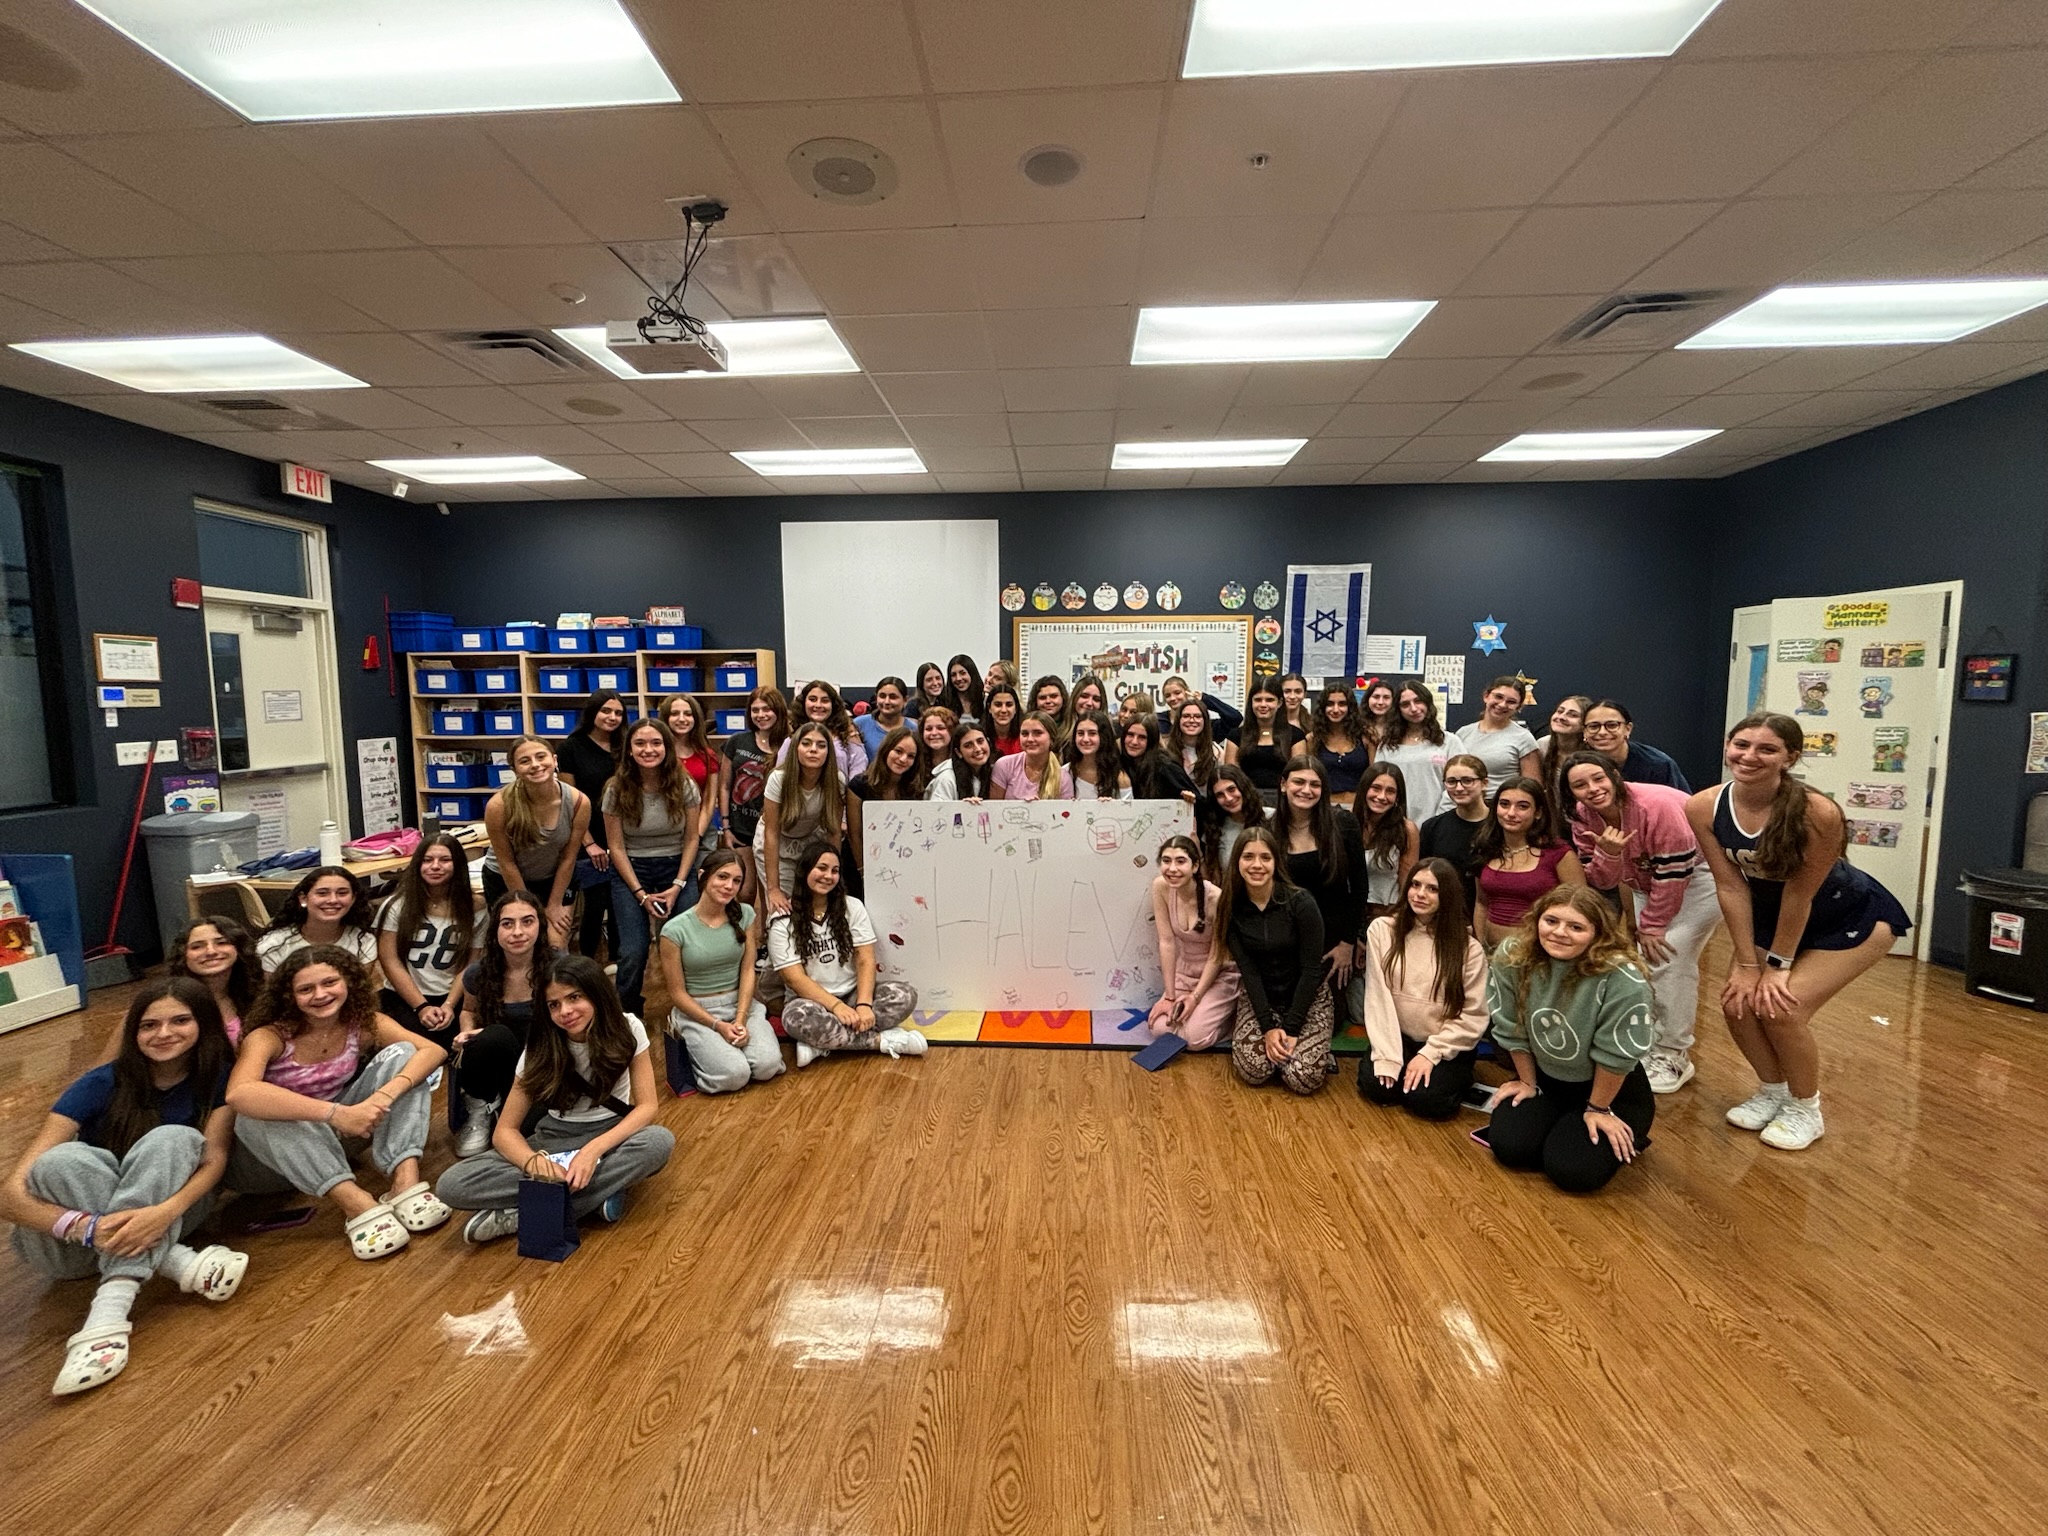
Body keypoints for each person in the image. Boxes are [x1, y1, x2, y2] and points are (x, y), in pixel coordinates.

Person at [6, 979, 245, 1396]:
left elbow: (214, 1161)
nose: (163, 1033)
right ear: (133, 1032)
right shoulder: (100, 1082)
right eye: (149, 1025)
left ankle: (106, 1318)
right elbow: (10, 1194)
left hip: (168, 1217)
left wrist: (164, 1213)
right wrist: (83, 1228)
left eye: (179, 1021)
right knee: (59, 1160)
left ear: (203, 1025)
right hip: (72, 1249)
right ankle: (177, 1263)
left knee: (175, 1138)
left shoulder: (218, 1078)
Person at [1684, 713, 1909, 1150]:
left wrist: (1776, 967)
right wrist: (1748, 964)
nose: (1750, 756)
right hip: (1772, 917)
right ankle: (1773, 1092)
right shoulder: (1702, 806)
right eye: (1741, 744)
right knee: (1737, 1002)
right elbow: (1730, 886)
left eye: (1766, 749)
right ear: (1728, 745)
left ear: (1790, 757)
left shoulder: (1819, 812)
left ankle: (1807, 1108)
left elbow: (1799, 896)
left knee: (1782, 1009)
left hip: (1849, 918)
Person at [227, 947, 449, 1259]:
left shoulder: (362, 1022)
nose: (320, 994)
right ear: (289, 996)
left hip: (341, 1137)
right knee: (251, 1110)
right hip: (273, 1158)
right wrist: (335, 1113)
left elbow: (433, 1051)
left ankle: (404, 1180)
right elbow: (238, 1094)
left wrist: (383, 1095)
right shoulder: (269, 1036)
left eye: (330, 982)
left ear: (348, 982)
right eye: (305, 989)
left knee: (404, 1056)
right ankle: (356, 1204)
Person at [436, 955, 675, 1245]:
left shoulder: (628, 1027)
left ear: (596, 993)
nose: (566, 1011)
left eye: (574, 997)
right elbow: (505, 1131)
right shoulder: (539, 1048)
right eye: (554, 1005)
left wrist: (591, 1151)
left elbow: (648, 1105)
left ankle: (525, 1214)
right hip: (555, 1137)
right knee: (451, 1184)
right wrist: (534, 1165)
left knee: (658, 1142)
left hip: (610, 1134)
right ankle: (595, 1197)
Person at [1566, 752, 1720, 1095]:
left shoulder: (1658, 805)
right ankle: (1648, 1040)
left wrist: (1652, 925)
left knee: (1669, 955)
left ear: (1614, 777)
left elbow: (1674, 874)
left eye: (1598, 779)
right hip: (1642, 880)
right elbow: (1603, 879)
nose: (1591, 789)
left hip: (1697, 878)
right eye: (1579, 785)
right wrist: (1609, 852)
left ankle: (1674, 1054)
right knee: (1646, 962)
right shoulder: (1583, 816)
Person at [1485, 886, 1657, 1193]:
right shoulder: (1513, 955)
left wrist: (1598, 1108)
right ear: (1537, 919)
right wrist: (1527, 1083)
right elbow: (1511, 1027)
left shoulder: (1622, 979)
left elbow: (1615, 1054)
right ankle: (1562, 1127)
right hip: (1547, 1078)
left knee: (1572, 1172)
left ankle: (1619, 1129)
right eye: (1551, 921)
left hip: (1610, 1090)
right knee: (1509, 1148)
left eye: (1576, 927)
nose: (1559, 933)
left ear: (1597, 933)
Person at [770, 845, 925, 1066]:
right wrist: (835, 1007)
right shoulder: (782, 919)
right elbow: (794, 978)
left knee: (905, 995)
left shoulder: (852, 906)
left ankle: (823, 1044)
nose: (828, 876)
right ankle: (882, 1041)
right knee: (795, 1019)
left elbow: (865, 958)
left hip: (853, 996)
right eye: (821, 868)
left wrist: (863, 1005)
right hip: (812, 1004)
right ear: (804, 871)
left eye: (835, 871)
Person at [1357, 860, 1488, 1121]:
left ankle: (1458, 1076)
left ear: (1447, 896)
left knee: (1427, 1101)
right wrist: (1387, 1055)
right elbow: (1377, 999)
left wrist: (1430, 1054)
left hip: (1444, 1043)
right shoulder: (1382, 931)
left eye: (1432, 889)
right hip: (1399, 1037)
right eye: (1415, 885)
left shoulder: (1469, 949)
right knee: (1378, 1088)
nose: (1420, 894)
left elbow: (1473, 1016)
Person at [658, 849, 785, 1095]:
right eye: (722, 877)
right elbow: (677, 993)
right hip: (698, 1011)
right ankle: (702, 1059)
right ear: (703, 876)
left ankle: (728, 1052)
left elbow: (748, 970)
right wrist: (718, 1026)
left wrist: (740, 1018)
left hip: (740, 1003)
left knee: (767, 1066)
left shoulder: (745, 915)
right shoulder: (674, 930)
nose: (729, 886)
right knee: (734, 1075)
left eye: (736, 881)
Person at [604, 716, 703, 1017]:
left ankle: (694, 1008)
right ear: (629, 750)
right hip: (631, 870)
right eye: (640, 743)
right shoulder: (616, 789)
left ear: (667, 747)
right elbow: (616, 847)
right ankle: (626, 1015)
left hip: (677, 867)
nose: (649, 749)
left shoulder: (684, 784)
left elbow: (691, 841)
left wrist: (677, 885)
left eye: (656, 743)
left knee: (685, 943)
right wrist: (640, 894)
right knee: (633, 951)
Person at [1222, 828, 1333, 1095]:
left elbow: (1311, 969)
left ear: (1276, 862)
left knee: (1303, 1078)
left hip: (1308, 996)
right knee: (1253, 1070)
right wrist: (1269, 1028)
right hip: (1263, 997)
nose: (1256, 865)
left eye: (1265, 858)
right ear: (1237, 861)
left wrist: (1292, 1028)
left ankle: (1301, 1052)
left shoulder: (1301, 902)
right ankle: (1282, 1054)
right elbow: (1248, 971)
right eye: (1248, 857)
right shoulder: (1230, 907)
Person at [450, 891, 553, 1157]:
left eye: (527, 922)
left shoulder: (560, 968)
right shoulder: (478, 972)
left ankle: (512, 1110)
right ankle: (481, 1107)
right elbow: (468, 1011)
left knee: (532, 1134)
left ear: (540, 925)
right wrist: (466, 1033)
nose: (517, 932)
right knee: (493, 1036)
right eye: (507, 924)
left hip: (543, 1063)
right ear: (495, 929)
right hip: (500, 1059)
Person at [1272, 754, 1365, 1004]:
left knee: (1329, 1022)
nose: (1306, 790)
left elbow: (1359, 888)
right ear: (1283, 784)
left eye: (1315, 784)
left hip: (1333, 942)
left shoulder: (1343, 824)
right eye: (1298, 782)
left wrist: (1348, 943)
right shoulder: (1270, 830)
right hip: (1285, 941)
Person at [375, 833, 480, 1051]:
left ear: (458, 865)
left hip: (450, 996)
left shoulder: (476, 908)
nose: (435, 866)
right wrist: (421, 1006)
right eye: (427, 860)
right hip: (405, 997)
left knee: (458, 1046)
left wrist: (450, 1005)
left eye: (444, 860)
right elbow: (389, 960)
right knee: (412, 1048)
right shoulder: (396, 905)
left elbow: (471, 964)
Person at [481, 735, 589, 946]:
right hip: (507, 880)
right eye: (525, 761)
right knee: (519, 944)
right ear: (514, 769)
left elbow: (568, 858)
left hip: (555, 880)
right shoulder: (499, 806)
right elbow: (507, 863)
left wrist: (554, 904)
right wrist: (528, 909)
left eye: (541, 757)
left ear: (555, 760)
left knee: (555, 945)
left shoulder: (578, 802)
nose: (535, 765)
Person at [1146, 835, 1240, 1051]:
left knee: (1194, 1040)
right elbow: (1167, 942)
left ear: (1195, 865)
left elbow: (1217, 956)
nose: (1172, 869)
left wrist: (1196, 998)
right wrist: (1169, 996)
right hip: (1185, 971)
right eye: (1166, 861)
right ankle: (1196, 1013)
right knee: (1160, 1029)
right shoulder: (1161, 887)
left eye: (1180, 861)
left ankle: (1233, 1018)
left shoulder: (1216, 897)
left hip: (1220, 974)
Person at [1471, 776, 1586, 947]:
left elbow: (1581, 906)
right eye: (1504, 804)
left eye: (1522, 806)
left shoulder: (1558, 853)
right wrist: (1480, 945)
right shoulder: (1486, 849)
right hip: (1493, 955)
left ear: (1538, 812)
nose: (1511, 813)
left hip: (1542, 953)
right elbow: (1481, 903)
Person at [556, 689, 625, 960]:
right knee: (595, 904)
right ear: (592, 712)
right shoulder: (571, 747)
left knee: (620, 902)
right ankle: (587, 963)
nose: (612, 717)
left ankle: (619, 962)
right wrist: (590, 843)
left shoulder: (624, 745)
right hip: (587, 838)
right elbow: (568, 801)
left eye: (618, 713)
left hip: (621, 836)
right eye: (606, 711)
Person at [755, 721, 848, 920]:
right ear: (796, 748)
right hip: (776, 844)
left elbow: (833, 831)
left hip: (811, 841)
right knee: (784, 907)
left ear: (828, 752)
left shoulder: (837, 780)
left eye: (821, 745)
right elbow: (770, 833)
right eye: (806, 743)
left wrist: (835, 877)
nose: (813, 750)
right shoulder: (779, 779)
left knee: (813, 902)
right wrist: (773, 889)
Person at [722, 687, 790, 908]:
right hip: (740, 826)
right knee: (746, 891)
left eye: (767, 709)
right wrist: (726, 826)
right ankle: (745, 939)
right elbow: (724, 786)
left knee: (770, 890)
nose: (761, 715)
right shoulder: (737, 742)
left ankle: (764, 938)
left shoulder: (788, 744)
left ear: (778, 711)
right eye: (755, 710)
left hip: (773, 828)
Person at [256, 865, 381, 980]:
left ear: (353, 899)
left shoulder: (364, 941)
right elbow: (273, 997)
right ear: (303, 898)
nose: (333, 900)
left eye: (342, 893)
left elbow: (359, 991)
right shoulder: (273, 945)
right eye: (322, 893)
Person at [660, 692, 723, 896]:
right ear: (665, 718)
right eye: (675, 713)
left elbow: (709, 800)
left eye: (687, 714)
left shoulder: (707, 754)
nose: (681, 719)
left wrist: (696, 834)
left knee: (698, 892)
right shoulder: (658, 754)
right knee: (668, 892)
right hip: (666, 834)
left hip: (701, 832)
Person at [165, 916, 261, 1046]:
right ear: (183, 956)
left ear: (239, 949)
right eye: (197, 946)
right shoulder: (171, 1003)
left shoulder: (259, 994)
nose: (211, 951)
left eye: (222, 943)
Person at [1416, 753, 1492, 913]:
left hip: (1491, 912)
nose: (1459, 788)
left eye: (1467, 781)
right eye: (1452, 782)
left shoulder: (1500, 824)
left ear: (1484, 783)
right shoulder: (1432, 827)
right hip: (1446, 913)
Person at [849, 725, 927, 869]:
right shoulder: (859, 785)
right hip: (862, 864)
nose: (903, 759)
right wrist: (864, 871)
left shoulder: (915, 791)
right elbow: (855, 835)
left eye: (911, 756)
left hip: (903, 864)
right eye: (898, 751)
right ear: (886, 750)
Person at [1450, 677, 1541, 800]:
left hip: (1500, 808)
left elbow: (1533, 788)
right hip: (1462, 804)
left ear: (1518, 707)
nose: (1502, 704)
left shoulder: (1524, 738)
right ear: (1486, 696)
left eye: (1511, 702)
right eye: (1498, 697)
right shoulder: (1463, 733)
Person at [1375, 680, 1449, 823]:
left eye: (1418, 701)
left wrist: (1440, 817)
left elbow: (1460, 783)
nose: (1414, 709)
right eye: (1405, 704)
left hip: (1439, 821)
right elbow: (1379, 784)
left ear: (1427, 703)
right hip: (1395, 823)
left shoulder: (1449, 741)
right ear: (1398, 710)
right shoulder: (1387, 746)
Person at [1582, 699, 1691, 791]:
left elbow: (1679, 804)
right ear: (1584, 731)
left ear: (1628, 729)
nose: (1602, 732)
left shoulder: (1657, 765)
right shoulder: (1577, 763)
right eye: (1593, 726)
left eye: (1612, 725)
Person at [1225, 678, 1303, 805]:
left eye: (1269, 700)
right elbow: (1231, 776)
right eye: (1257, 700)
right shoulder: (1236, 736)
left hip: (1285, 801)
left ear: (1280, 703)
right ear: (1251, 703)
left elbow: (1299, 775)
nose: (1263, 704)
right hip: (1246, 801)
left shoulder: (1296, 736)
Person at [782, 679, 870, 784]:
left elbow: (858, 768)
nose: (818, 705)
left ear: (833, 705)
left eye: (825, 700)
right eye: (812, 699)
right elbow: (782, 773)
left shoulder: (848, 734)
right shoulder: (793, 736)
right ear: (804, 702)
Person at [1197, 765, 1266, 880]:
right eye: (1220, 795)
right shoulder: (1215, 828)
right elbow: (1212, 878)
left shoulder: (1271, 818)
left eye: (1231, 789)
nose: (1228, 798)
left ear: (1242, 787)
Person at [993, 712, 1075, 800]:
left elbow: (1064, 813)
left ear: (1051, 738)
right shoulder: (1004, 765)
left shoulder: (1063, 778)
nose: (1030, 739)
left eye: (1037, 733)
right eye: (1025, 734)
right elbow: (994, 808)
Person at [1309, 685, 1371, 796]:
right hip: (1324, 806)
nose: (1336, 709)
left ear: (1350, 707)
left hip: (1358, 806)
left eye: (1342, 704)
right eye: (1330, 704)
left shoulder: (1366, 738)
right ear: (1323, 707)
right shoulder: (1312, 740)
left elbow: (1374, 777)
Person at [1534, 694, 1593, 811]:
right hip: (1552, 817)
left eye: (1572, 715)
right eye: (1559, 711)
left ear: (1584, 725)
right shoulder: (1543, 745)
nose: (1561, 717)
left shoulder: (1593, 751)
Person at [1119, 714, 1196, 802]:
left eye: (1142, 737)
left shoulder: (1166, 766)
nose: (1134, 742)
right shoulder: (1119, 763)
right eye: (1130, 735)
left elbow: (1200, 802)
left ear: (1151, 740)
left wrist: (1189, 798)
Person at [1065, 710, 1132, 800]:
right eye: (1080, 733)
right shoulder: (1065, 773)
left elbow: (1130, 812)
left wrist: (1112, 808)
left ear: (1104, 736)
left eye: (1092, 733)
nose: (1085, 739)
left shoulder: (1120, 779)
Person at [1157, 675, 1242, 742]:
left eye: (1177, 693)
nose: (1172, 698)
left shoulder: (1205, 725)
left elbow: (1235, 718)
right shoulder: (1158, 721)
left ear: (1187, 692)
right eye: (1167, 695)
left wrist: (1205, 699)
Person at [928, 718, 996, 801]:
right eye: (968, 745)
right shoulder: (946, 779)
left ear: (988, 742)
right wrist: (963, 808)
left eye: (980, 741)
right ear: (958, 752)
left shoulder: (995, 772)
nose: (977, 749)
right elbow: (938, 812)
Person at [1168, 697, 1223, 791]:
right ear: (1178, 720)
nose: (1192, 720)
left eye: (1197, 716)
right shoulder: (1166, 751)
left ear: (1205, 721)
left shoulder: (1217, 752)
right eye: (1186, 716)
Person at [855, 675, 911, 758]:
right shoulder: (859, 725)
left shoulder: (913, 730)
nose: (887, 701)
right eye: (882, 696)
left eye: (893, 697)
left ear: (905, 700)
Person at [1027, 675, 1072, 744]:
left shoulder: (1072, 726)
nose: (1048, 701)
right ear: (1035, 701)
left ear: (1063, 698)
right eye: (1042, 697)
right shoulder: (1027, 726)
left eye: (1053, 696)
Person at [941, 654, 985, 723]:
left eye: (962, 673)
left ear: (971, 674)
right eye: (953, 675)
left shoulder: (984, 699)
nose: (958, 678)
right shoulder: (944, 702)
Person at [982, 682, 1023, 757]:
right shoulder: (980, 737)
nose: (1003, 710)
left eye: (1009, 705)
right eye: (998, 704)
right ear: (989, 708)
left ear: (1016, 708)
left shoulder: (1025, 736)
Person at [1359, 679, 1399, 754]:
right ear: (1368, 699)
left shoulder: (1400, 728)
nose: (1380, 702)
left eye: (1386, 697)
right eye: (1376, 697)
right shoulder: (1356, 727)